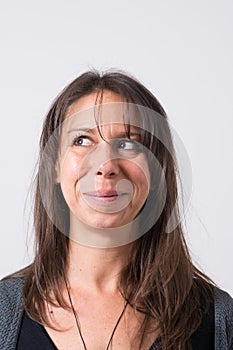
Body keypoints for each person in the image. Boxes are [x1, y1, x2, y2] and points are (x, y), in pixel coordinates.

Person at [0, 70, 232, 350]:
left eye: (127, 143)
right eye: (82, 140)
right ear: (53, 167)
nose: (106, 165)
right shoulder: (5, 312)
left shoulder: (217, 319)